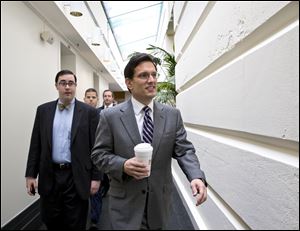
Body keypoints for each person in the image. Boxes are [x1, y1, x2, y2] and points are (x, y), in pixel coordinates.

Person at [91, 53, 207, 230]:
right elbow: (99, 155)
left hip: (159, 204)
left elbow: (184, 150)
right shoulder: (110, 116)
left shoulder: (171, 115)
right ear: (129, 83)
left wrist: (195, 176)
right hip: (125, 205)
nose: (151, 80)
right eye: (144, 75)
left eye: (154, 74)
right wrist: (123, 165)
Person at [25, 70, 101, 230]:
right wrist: (31, 174)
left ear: (75, 86)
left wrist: (96, 177)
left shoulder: (89, 113)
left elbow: (96, 147)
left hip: (76, 176)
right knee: (51, 220)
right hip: (49, 175)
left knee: (75, 222)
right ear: (56, 86)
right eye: (63, 83)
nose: (67, 87)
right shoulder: (43, 110)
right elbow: (35, 144)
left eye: (71, 83)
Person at [83, 88, 105, 230]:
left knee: (96, 194)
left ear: (97, 100)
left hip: (97, 161)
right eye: (88, 97)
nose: (91, 99)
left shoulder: (103, 116)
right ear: (84, 99)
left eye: (93, 97)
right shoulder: (78, 114)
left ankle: (95, 221)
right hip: (81, 161)